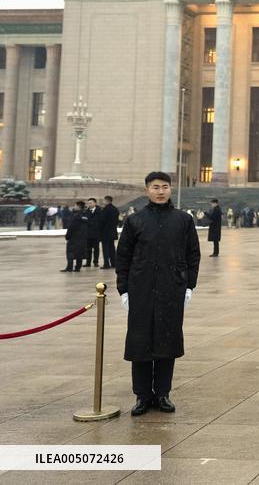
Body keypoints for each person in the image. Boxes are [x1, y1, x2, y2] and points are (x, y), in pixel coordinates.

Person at [116, 171, 201, 416]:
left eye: (164, 186)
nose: (160, 191)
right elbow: (123, 258)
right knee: (140, 343)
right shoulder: (135, 221)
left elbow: (192, 255)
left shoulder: (183, 220)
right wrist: (124, 290)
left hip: (171, 289)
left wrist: (188, 286)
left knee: (167, 342)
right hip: (140, 290)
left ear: (170, 189)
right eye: (155, 187)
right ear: (147, 191)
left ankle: (163, 393)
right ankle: (142, 396)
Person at [62, 201, 88, 272]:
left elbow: (71, 227)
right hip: (82, 237)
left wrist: (67, 236)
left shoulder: (75, 216)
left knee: (70, 252)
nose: (74, 207)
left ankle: (69, 267)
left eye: (75, 206)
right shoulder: (85, 215)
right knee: (79, 253)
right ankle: (77, 268)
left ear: (79, 207)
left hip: (74, 237)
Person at [100, 196, 120, 269]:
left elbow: (102, 221)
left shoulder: (105, 209)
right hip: (113, 231)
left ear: (107, 201)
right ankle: (114, 263)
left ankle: (106, 264)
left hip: (105, 232)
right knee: (112, 248)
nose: (103, 202)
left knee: (105, 249)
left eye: (104, 200)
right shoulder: (115, 209)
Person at [84, 198, 102, 267]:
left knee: (96, 249)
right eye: (88, 203)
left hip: (96, 233)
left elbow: (101, 222)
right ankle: (88, 262)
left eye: (90, 203)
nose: (89, 204)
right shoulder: (86, 212)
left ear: (95, 203)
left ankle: (96, 262)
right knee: (88, 249)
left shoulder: (99, 211)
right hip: (88, 234)